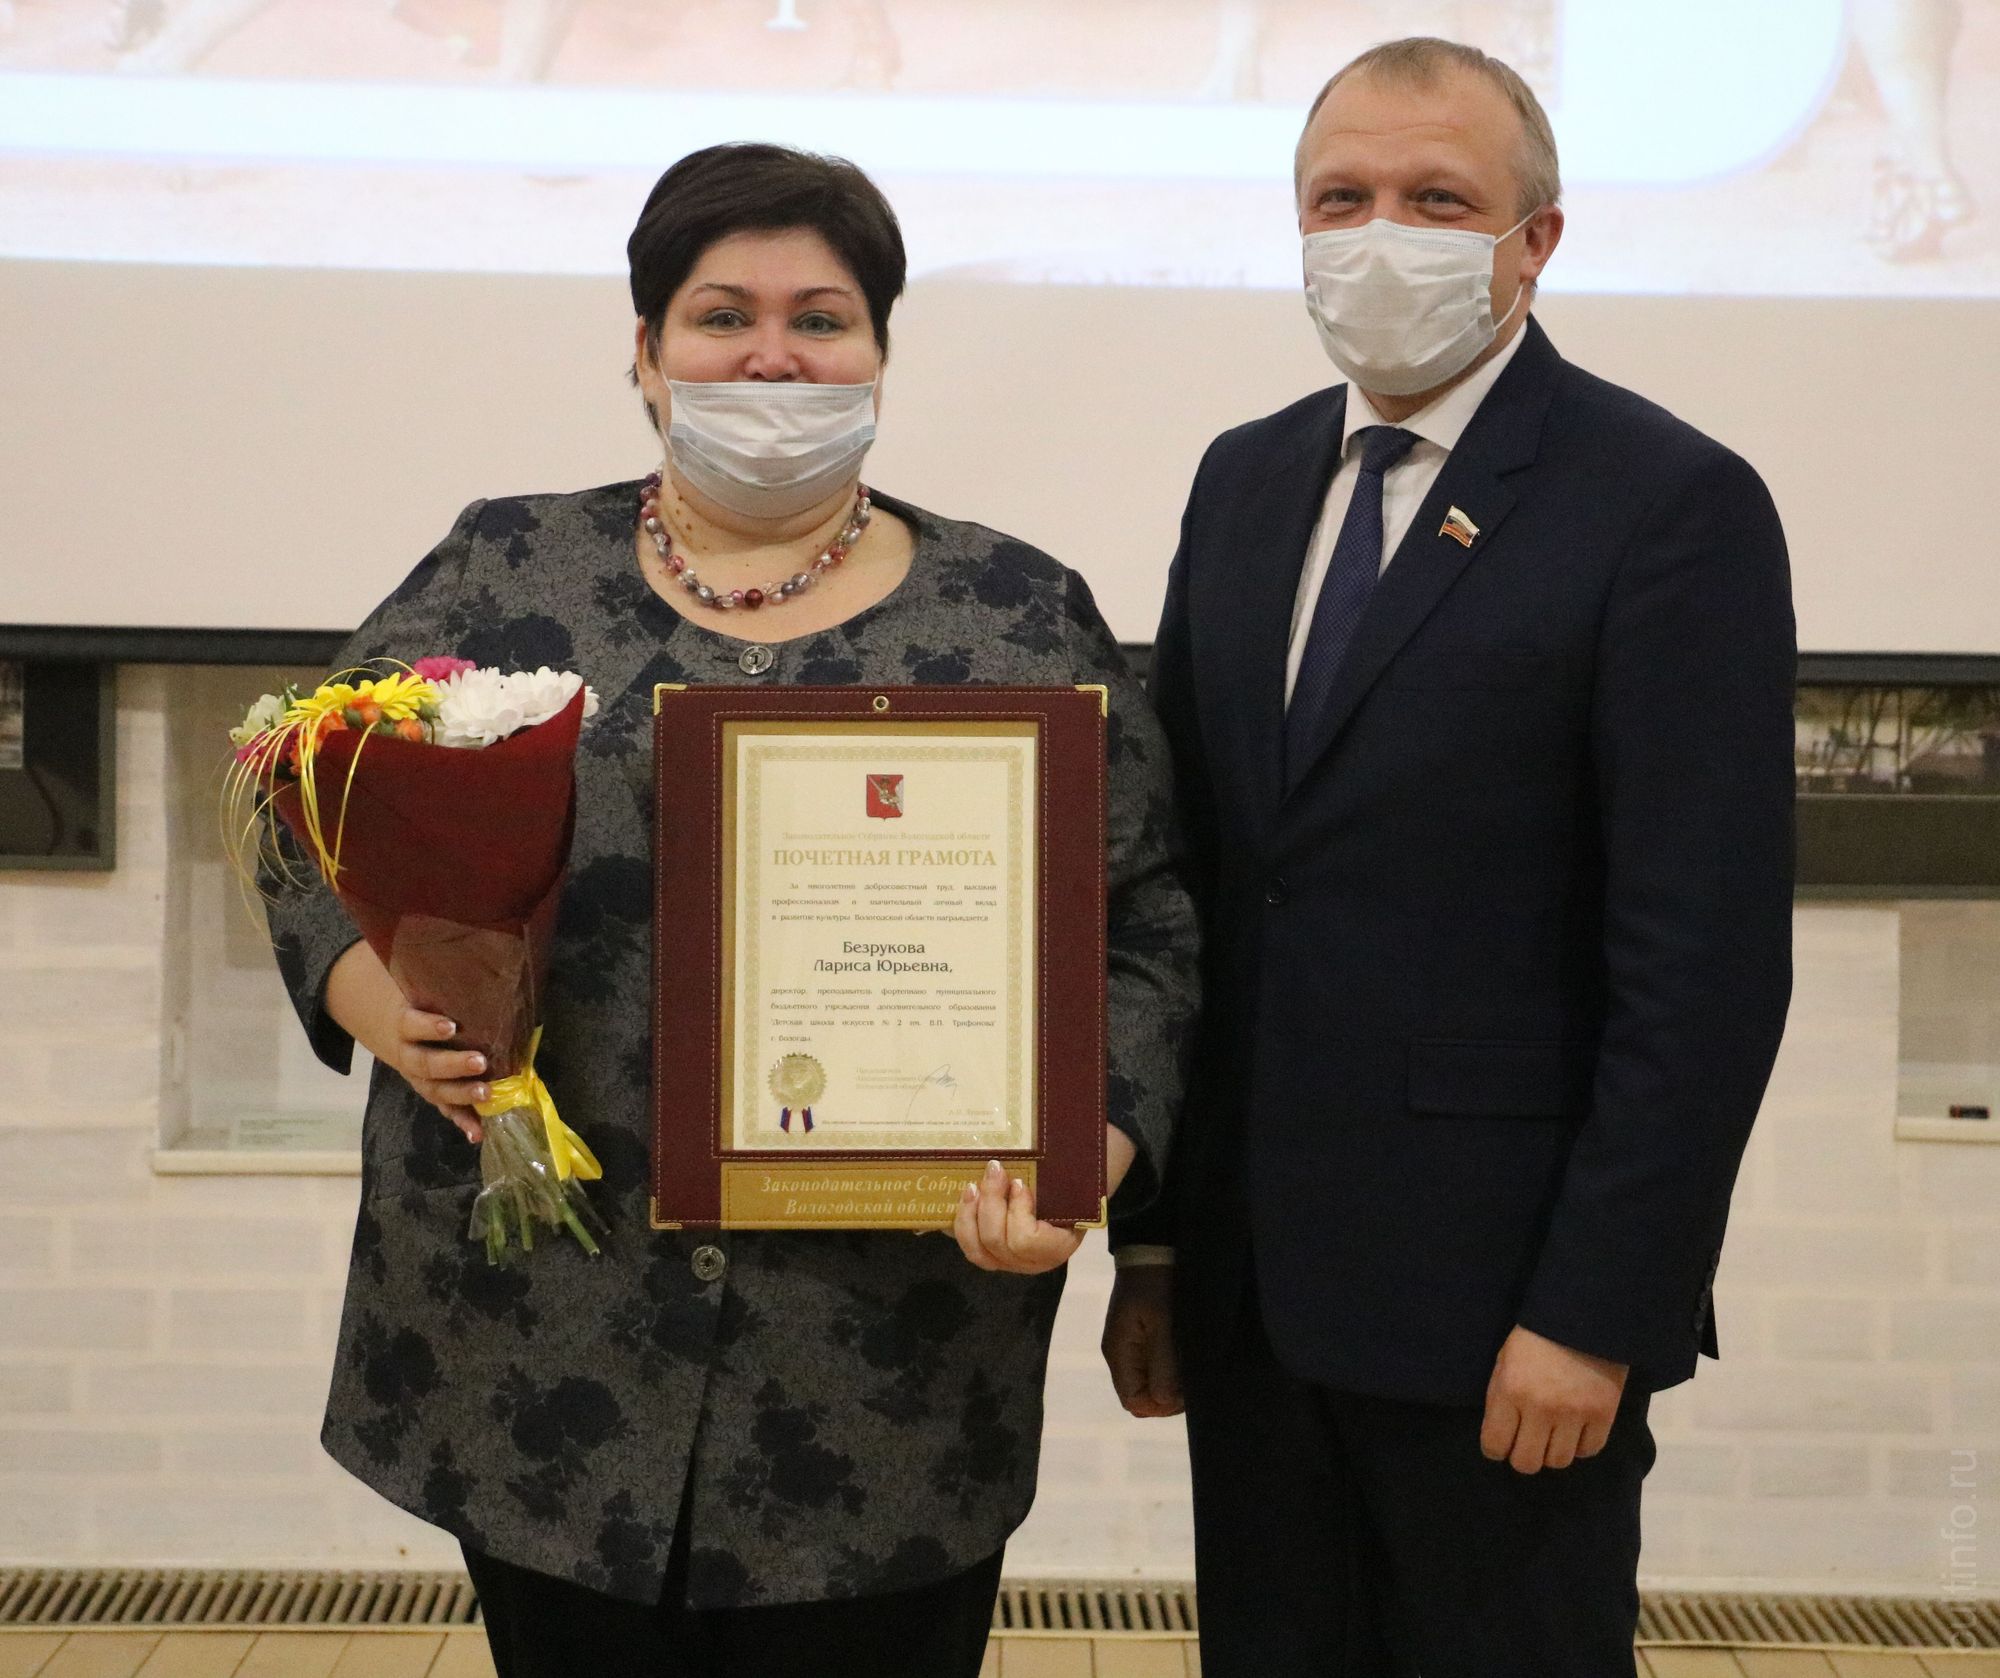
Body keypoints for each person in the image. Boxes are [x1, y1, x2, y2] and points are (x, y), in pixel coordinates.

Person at [262, 141, 1198, 1678]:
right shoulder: (507, 563)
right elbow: (298, 796)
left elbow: (1147, 918)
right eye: (721, 315)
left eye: (821, 319)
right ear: (645, 353)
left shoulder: (1018, 610)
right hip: (544, 1350)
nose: (773, 354)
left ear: (880, 353)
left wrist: (1086, 1156)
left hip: (886, 1373)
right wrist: (379, 1003)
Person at [1100, 37, 1795, 1678]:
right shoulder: (1246, 478)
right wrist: (1161, 1244)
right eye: (1340, 199)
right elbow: (1197, 886)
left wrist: (1598, 1310)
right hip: (1257, 1305)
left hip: (1505, 1318)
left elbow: (1700, 967)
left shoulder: (1670, 504)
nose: (1380, 236)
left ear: (1535, 240)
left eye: (1436, 200)